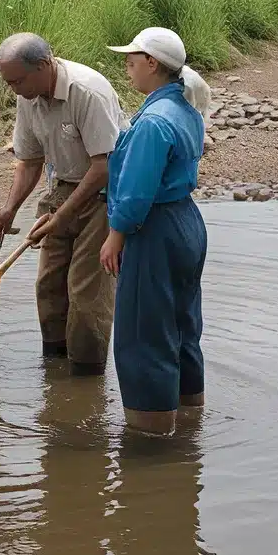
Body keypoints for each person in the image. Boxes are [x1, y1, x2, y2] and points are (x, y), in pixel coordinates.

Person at [0, 33, 126, 375]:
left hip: (103, 194)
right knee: (49, 286)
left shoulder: (86, 92)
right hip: (61, 187)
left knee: (86, 294)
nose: (13, 90)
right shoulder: (28, 93)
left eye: (18, 81)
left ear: (44, 65)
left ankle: (85, 379)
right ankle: (53, 368)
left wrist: (62, 216)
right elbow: (30, 160)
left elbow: (103, 168)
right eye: (8, 82)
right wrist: (10, 208)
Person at [100, 27, 209, 437]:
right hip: (187, 223)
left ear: (152, 64)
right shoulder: (185, 107)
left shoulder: (153, 122)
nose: (126, 67)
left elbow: (136, 190)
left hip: (154, 227)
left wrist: (116, 235)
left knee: (144, 333)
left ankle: (151, 439)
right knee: (182, 325)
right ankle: (190, 418)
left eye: (132, 60)